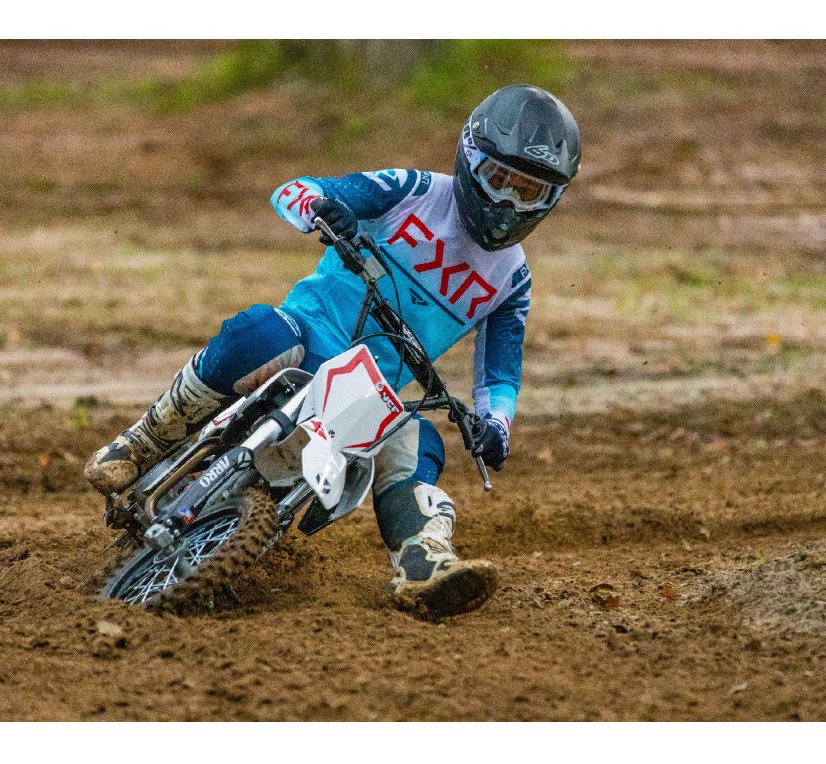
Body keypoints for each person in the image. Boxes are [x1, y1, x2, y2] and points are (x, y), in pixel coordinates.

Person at [85, 84, 581, 618]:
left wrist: (495, 426)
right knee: (262, 333)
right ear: (468, 159)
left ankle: (423, 562)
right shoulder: (412, 190)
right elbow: (296, 189)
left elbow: (500, 375)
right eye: (499, 179)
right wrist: (321, 208)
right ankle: (143, 440)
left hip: (375, 393)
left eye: (530, 192)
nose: (508, 203)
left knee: (422, 444)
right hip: (310, 333)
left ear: (551, 200)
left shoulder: (512, 281)